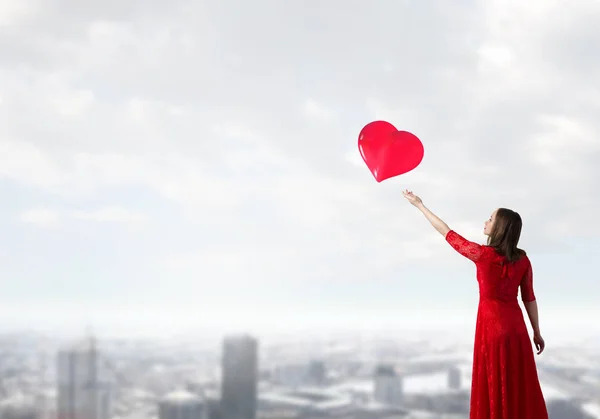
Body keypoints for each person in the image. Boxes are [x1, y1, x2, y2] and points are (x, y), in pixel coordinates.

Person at [402, 189, 548, 419]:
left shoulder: (482, 255)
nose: (486, 221)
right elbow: (529, 298)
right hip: (517, 331)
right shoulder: (523, 260)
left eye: (491, 219)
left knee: (494, 385)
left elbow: (447, 233)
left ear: (499, 227)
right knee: (518, 387)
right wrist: (536, 332)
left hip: (492, 331)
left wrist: (420, 206)